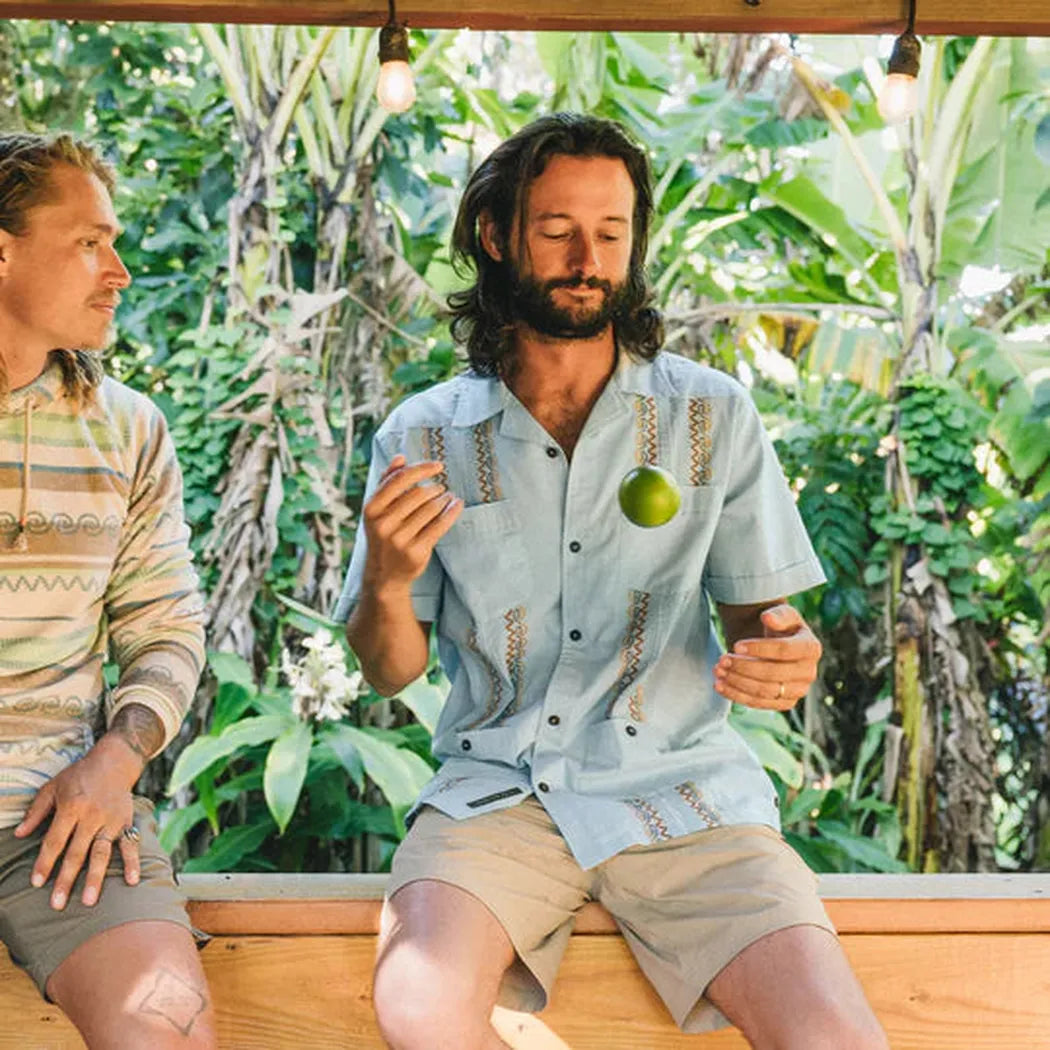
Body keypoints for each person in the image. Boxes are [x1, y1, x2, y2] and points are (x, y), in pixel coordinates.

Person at [337, 113, 888, 1050]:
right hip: (495, 800)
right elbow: (391, 671)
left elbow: (766, 625)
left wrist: (783, 656)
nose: (588, 259)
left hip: (689, 799)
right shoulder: (422, 437)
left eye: (612, 232)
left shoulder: (712, 415)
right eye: (557, 231)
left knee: (838, 1039)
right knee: (417, 1009)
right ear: (496, 236)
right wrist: (387, 579)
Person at [0, 133, 216, 1048]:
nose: (119, 272)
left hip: (58, 818)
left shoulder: (129, 429)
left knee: (169, 1028)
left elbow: (167, 628)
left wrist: (116, 762)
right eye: (89, 243)